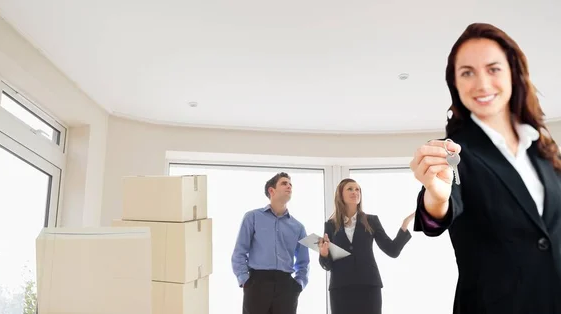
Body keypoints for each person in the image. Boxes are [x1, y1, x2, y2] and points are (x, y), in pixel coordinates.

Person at [410, 22, 561, 314]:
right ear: (455, 83)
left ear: (513, 74)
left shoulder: (542, 148)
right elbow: (437, 214)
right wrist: (437, 198)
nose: (481, 84)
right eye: (467, 72)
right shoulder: (453, 151)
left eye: (493, 69)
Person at [318, 178, 415, 314]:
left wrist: (404, 226)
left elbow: (392, 250)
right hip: (340, 288)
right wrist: (323, 253)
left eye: (357, 189)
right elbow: (327, 265)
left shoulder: (371, 220)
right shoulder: (330, 224)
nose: (355, 192)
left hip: (369, 286)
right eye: (350, 189)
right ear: (340, 195)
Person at [231, 172, 309, 314]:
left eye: (290, 184)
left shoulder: (298, 227)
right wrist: (245, 281)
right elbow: (239, 252)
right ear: (271, 190)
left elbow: (304, 262)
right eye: (284, 183)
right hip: (257, 283)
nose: (289, 186)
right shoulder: (252, 217)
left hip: (286, 287)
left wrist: (298, 285)